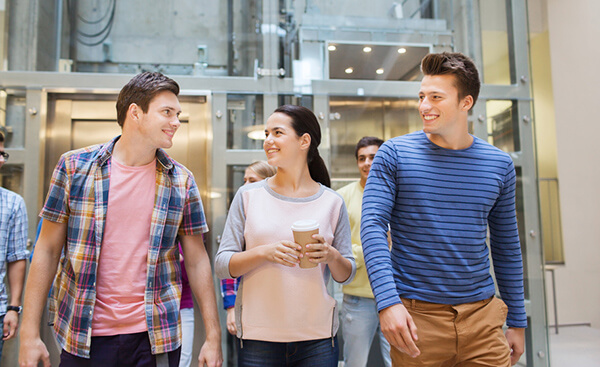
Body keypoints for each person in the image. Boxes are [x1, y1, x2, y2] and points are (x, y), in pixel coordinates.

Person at [19, 72, 223, 367]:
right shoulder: (75, 167)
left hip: (155, 337)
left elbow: (197, 259)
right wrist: (29, 334)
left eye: (177, 114)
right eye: (167, 112)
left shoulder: (181, 181)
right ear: (135, 113)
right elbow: (47, 249)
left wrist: (213, 336)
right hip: (82, 333)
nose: (176, 121)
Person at [361, 52, 527, 367]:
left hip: (482, 320)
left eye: (436, 97)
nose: (424, 106)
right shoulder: (394, 154)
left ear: (466, 102)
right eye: (422, 96)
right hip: (416, 321)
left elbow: (507, 245)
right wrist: (387, 303)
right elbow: (372, 227)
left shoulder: (499, 164)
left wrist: (517, 321)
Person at [215, 105, 356, 367]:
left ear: (304, 141)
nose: (268, 141)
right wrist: (263, 252)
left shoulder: (332, 201)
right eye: (267, 133)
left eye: (277, 133)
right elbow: (222, 265)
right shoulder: (248, 197)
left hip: (319, 338)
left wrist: (332, 255)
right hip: (259, 337)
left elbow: (345, 274)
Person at [337, 136, 391, 367]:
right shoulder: (342, 197)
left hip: (398, 296)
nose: (367, 163)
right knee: (355, 363)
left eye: (373, 157)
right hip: (358, 300)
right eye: (362, 158)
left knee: (401, 362)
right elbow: (338, 247)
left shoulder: (401, 193)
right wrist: (375, 248)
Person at [220, 160, 277, 338]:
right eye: (244, 180)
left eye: (252, 181)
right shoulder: (241, 216)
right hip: (249, 306)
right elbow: (229, 264)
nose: (245, 186)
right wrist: (231, 308)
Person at [0, 131, 28, 359]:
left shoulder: (13, 203)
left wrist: (13, 308)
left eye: (3, 154)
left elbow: (17, 257)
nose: (1, 160)